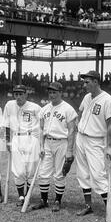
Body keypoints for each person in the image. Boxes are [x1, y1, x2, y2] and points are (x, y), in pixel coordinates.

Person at [75, 71, 111, 222]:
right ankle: (88, 206)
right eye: (84, 82)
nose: (84, 85)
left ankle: (109, 210)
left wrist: (110, 146)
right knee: (82, 173)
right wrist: (78, 125)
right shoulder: (87, 97)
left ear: (95, 82)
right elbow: (80, 112)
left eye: (87, 82)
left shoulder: (108, 100)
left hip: (96, 140)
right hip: (81, 137)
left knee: (98, 175)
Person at [32, 82, 77, 211]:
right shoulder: (44, 109)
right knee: (43, 173)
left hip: (62, 142)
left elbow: (72, 131)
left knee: (59, 174)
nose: (52, 95)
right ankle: (43, 200)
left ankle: (57, 201)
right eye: (50, 92)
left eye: (54, 92)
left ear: (60, 93)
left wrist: (69, 150)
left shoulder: (68, 109)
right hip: (47, 142)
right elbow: (40, 129)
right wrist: (41, 146)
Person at [2, 84, 41, 207]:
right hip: (16, 138)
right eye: (16, 94)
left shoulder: (35, 107)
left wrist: (40, 141)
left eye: (20, 94)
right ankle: (21, 196)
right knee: (18, 170)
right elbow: (6, 124)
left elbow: (43, 124)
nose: (18, 96)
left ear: (26, 94)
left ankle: (28, 194)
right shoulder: (9, 105)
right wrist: (8, 140)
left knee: (30, 169)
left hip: (31, 138)